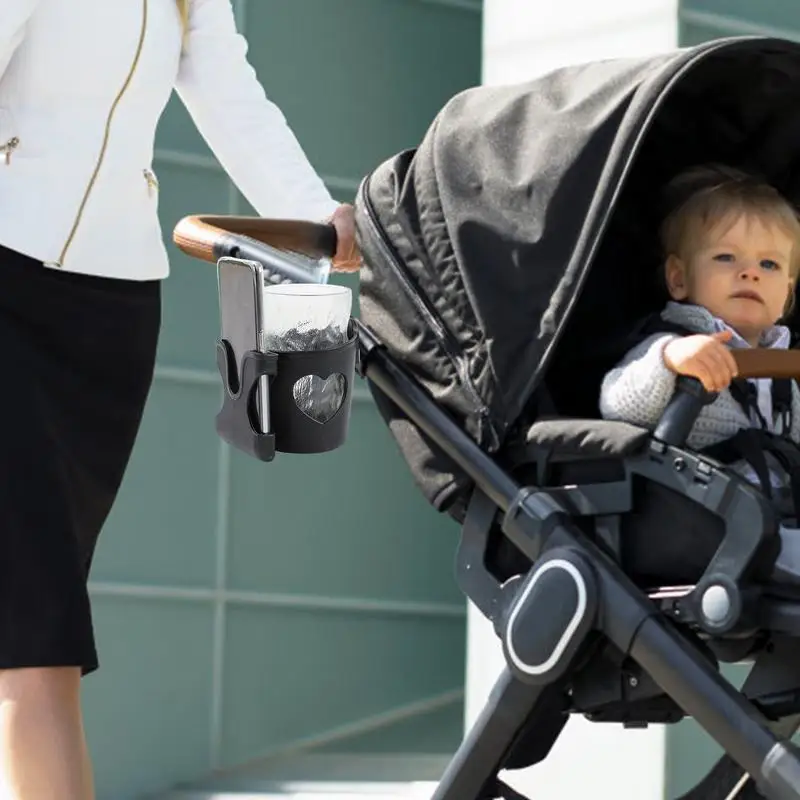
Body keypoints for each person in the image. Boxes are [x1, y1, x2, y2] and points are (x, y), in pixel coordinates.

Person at [0, 1, 359, 798]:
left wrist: (317, 215)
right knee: (35, 632)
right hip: (8, 272)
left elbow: (229, 92)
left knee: (30, 621)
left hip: (113, 306)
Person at [599, 164, 800, 502]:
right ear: (678, 279)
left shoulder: (786, 373)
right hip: (697, 514)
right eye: (726, 257)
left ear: (787, 297)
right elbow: (618, 403)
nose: (751, 273)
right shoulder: (673, 343)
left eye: (770, 265)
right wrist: (668, 361)